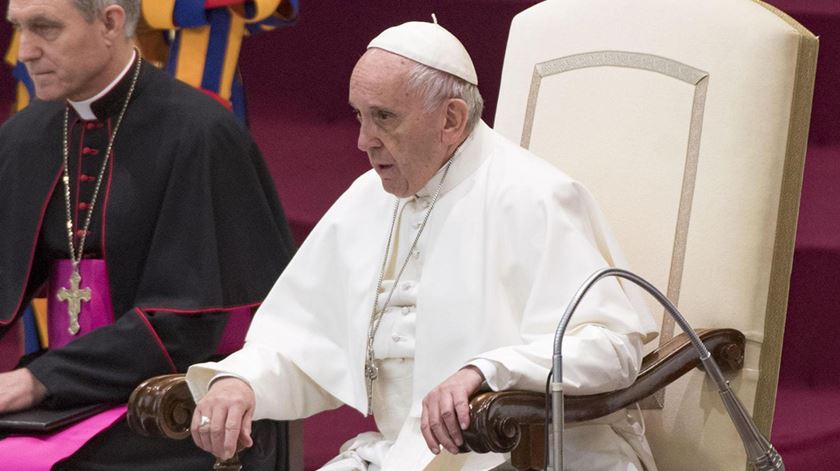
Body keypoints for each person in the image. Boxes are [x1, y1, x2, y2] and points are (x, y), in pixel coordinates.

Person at [188, 20, 659, 471]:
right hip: (402, 455)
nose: (362, 141)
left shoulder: (536, 196)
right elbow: (304, 344)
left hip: (532, 457)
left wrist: (489, 370)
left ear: (451, 119)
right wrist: (240, 381)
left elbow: (612, 349)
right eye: (359, 116)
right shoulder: (368, 198)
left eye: (384, 118)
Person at [0, 0, 295, 469]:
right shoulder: (23, 136)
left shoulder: (200, 133)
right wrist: (43, 381)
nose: (25, 51)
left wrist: (38, 380)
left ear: (110, 23)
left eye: (45, 28)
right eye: (18, 28)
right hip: (62, 393)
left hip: (176, 405)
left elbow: (187, 327)